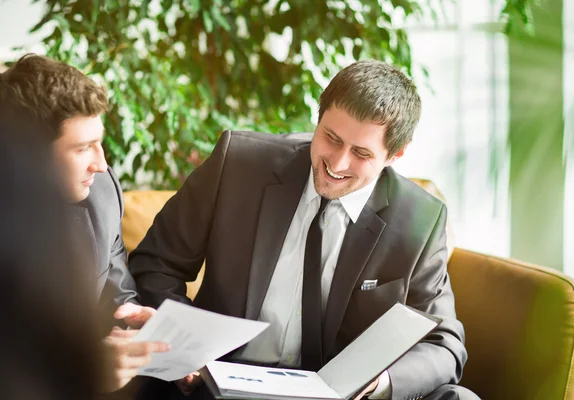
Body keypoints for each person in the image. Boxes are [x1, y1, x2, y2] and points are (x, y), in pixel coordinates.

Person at [129, 60, 479, 399]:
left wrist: (381, 384)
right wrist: (185, 349)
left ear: (395, 155)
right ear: (318, 117)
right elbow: (155, 264)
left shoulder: (419, 218)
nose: (337, 163)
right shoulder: (237, 165)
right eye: (331, 137)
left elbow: (443, 343)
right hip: (223, 383)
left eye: (360, 152)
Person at [0, 54, 169, 394]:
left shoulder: (102, 193)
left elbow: (114, 287)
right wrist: (83, 368)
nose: (101, 164)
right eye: (83, 148)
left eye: (100, 142)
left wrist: (129, 318)